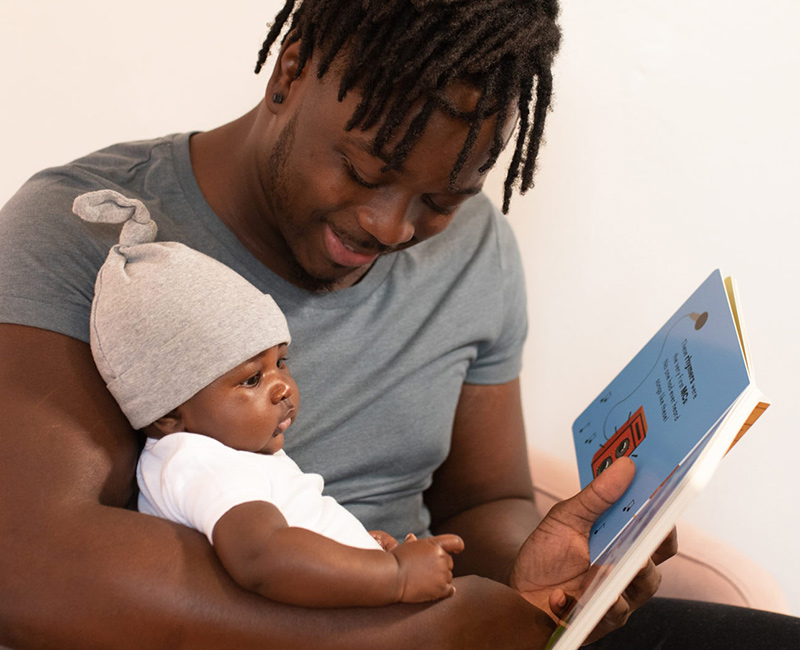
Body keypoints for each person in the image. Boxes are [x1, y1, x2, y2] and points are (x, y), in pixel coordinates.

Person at [1, 2, 798, 649]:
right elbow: (32, 569)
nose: (390, 227)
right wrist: (407, 631)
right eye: (364, 168)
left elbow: (480, 503)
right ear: (291, 71)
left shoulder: (477, 249)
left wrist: (542, 571)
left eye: (441, 200)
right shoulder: (85, 233)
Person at [73, 188, 464, 607]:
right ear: (168, 414)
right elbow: (265, 559)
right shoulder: (198, 462)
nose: (282, 386)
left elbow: (294, 538)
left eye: (282, 361)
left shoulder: (235, 456)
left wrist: (358, 549)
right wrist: (395, 576)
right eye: (251, 380)